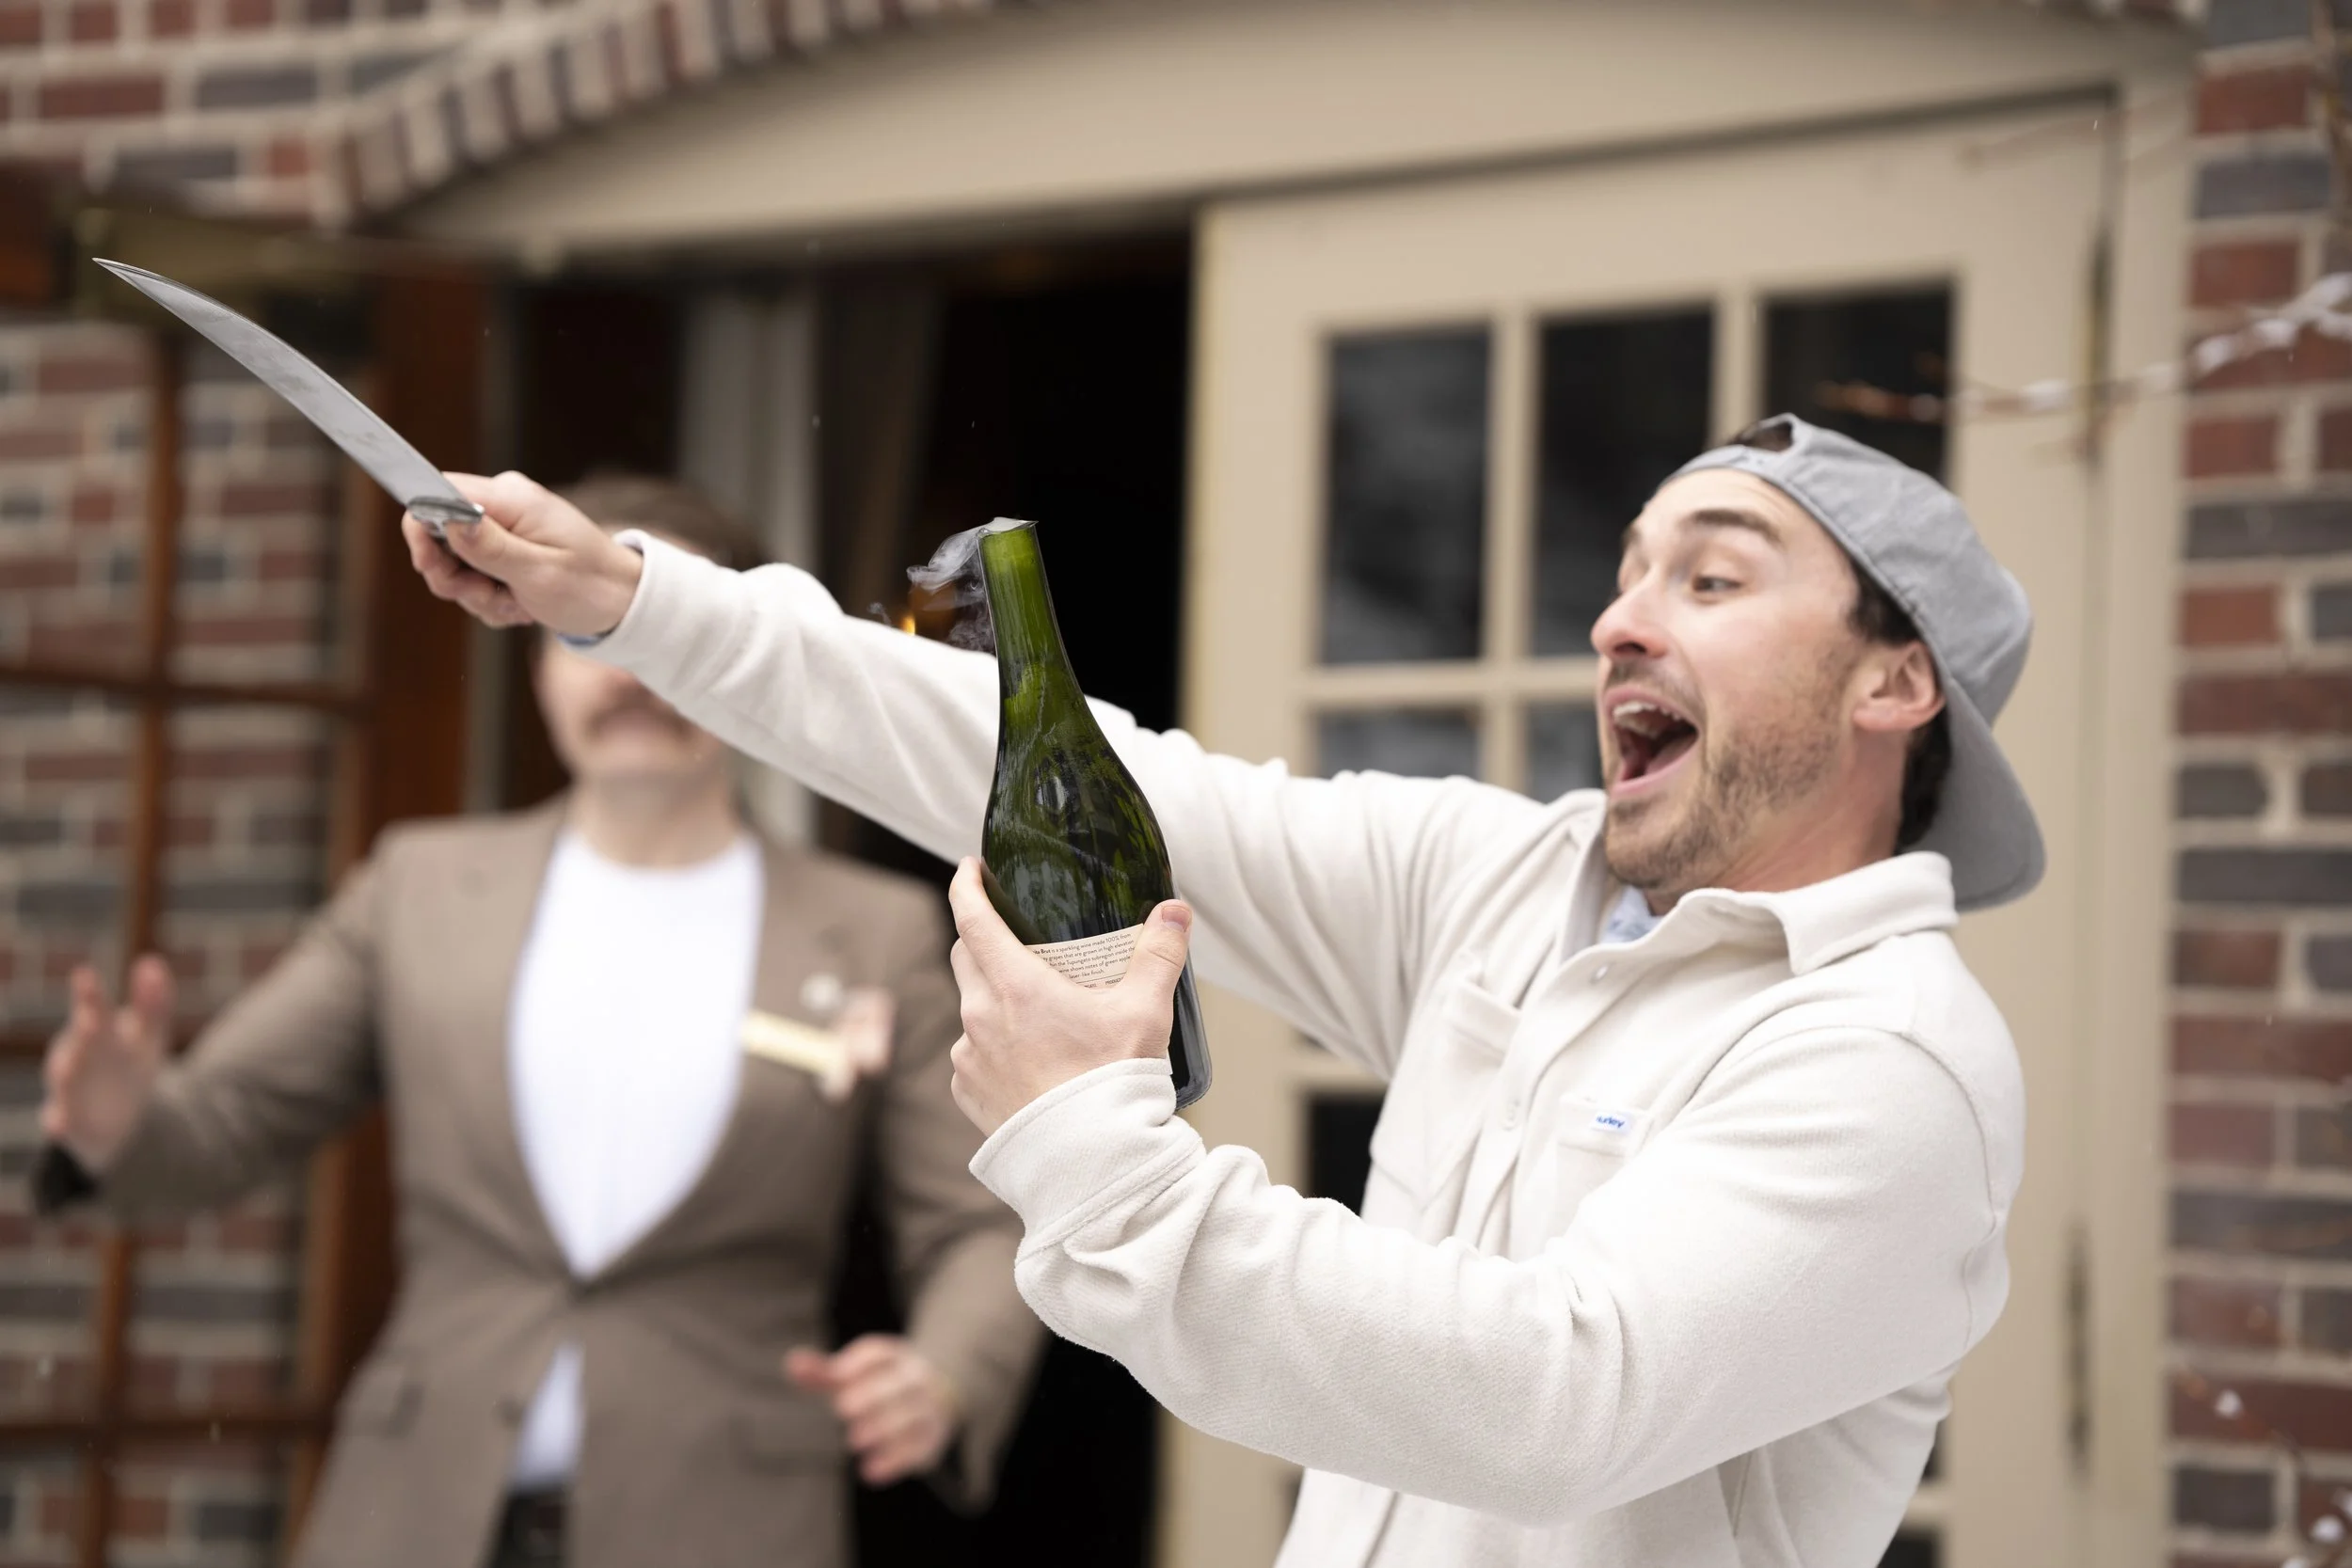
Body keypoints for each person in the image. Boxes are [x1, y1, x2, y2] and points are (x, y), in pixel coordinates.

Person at [400, 414, 2035, 1568]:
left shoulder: (1891, 1062)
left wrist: (1096, 1148)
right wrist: (637, 601)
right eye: (1626, 571)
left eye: (1714, 578)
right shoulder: (1504, 885)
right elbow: (1074, 770)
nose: (1618, 618)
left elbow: (1556, 1398)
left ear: (1896, 682)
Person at [35, 476, 1042, 1568]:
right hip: (412, 1513)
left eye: (663, 634)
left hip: (725, 1522)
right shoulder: (417, 885)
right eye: (585, 636)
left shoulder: (879, 930)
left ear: (747, 665)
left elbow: (981, 1220)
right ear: (534, 663)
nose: (627, 680)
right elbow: (223, 1124)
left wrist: (944, 1371)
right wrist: (116, 1124)